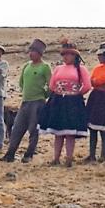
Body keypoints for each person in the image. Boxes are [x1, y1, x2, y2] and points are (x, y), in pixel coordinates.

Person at [38, 39, 92, 167]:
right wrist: (57, 91)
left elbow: (87, 85)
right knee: (58, 132)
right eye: (64, 54)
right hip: (58, 101)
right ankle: (56, 158)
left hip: (73, 102)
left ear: (75, 55)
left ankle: (68, 158)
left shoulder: (81, 69)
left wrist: (77, 94)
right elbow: (51, 85)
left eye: (69, 54)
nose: (66, 57)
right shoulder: (58, 68)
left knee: (70, 133)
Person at [0, 39, 52, 163]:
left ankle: (28, 155)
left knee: (33, 129)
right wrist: (24, 92)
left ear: (40, 53)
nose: (31, 54)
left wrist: (44, 94)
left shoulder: (45, 67)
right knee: (17, 127)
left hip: (38, 102)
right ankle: (10, 154)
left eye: (33, 51)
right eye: (30, 51)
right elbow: (21, 82)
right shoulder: (26, 66)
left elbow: (50, 85)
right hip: (25, 102)